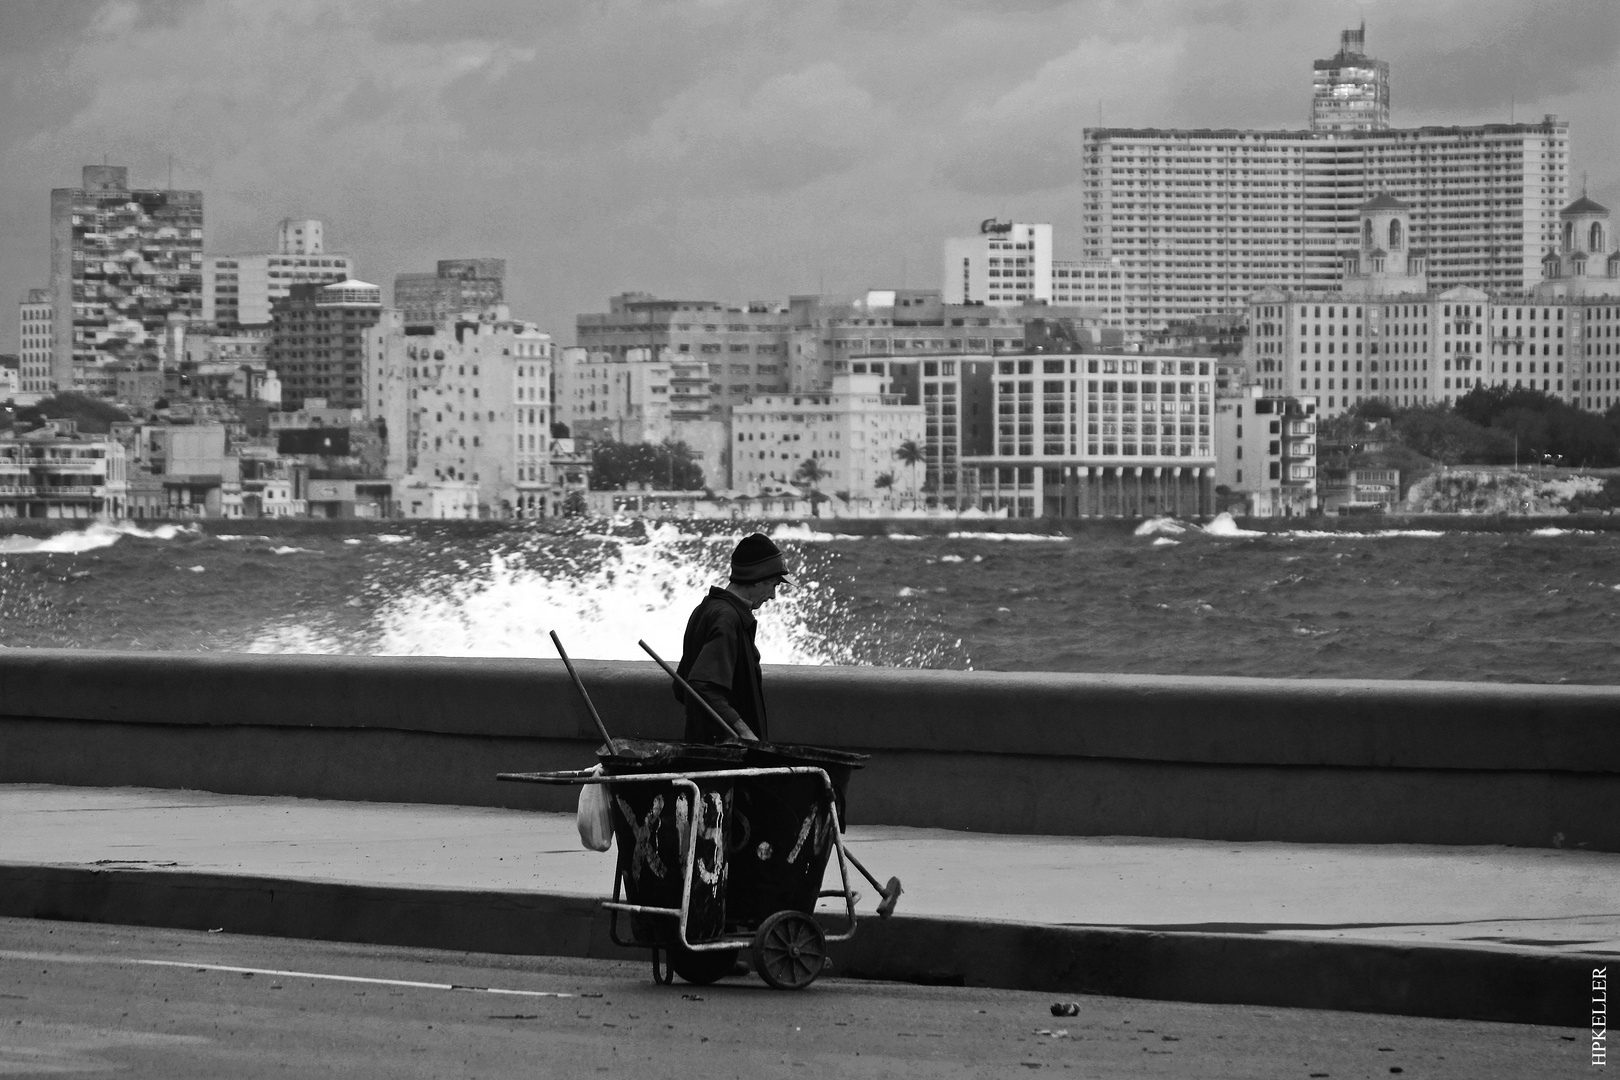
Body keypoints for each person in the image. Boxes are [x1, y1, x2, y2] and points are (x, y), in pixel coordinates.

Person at [674, 533, 791, 744]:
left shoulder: (705, 609)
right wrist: (744, 734)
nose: (773, 595)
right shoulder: (728, 619)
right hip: (727, 762)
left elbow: (681, 688)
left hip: (703, 756)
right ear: (756, 581)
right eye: (773, 584)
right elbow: (702, 686)